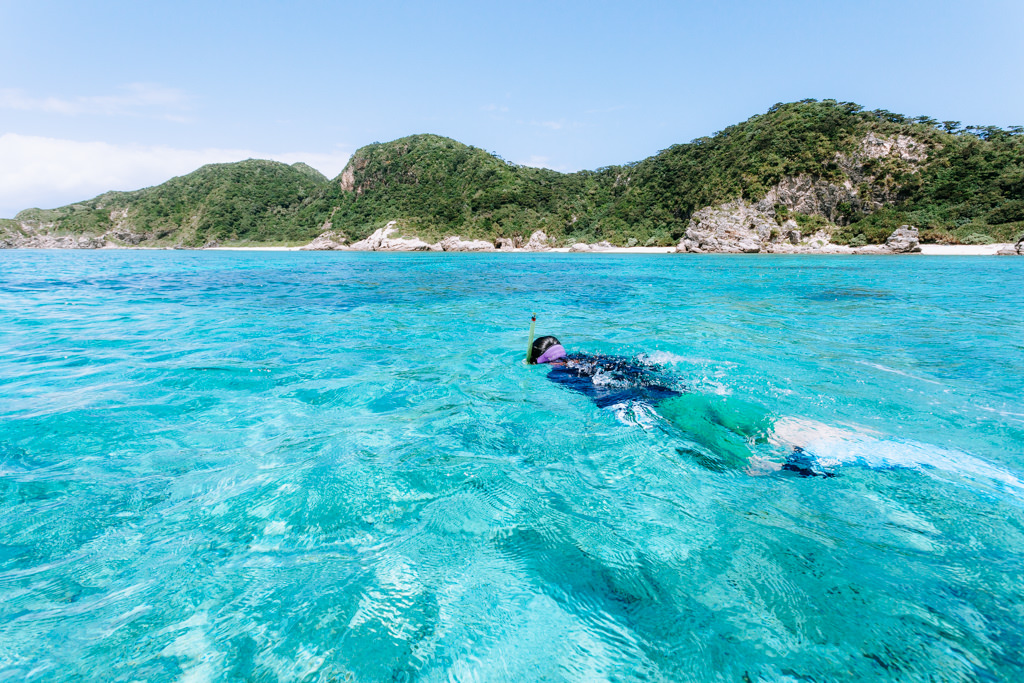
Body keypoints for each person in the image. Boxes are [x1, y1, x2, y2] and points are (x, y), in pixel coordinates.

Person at [529, 335, 832, 477]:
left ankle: (787, 471)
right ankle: (801, 445)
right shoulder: (592, 356)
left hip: (659, 406)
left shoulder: (560, 375)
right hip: (679, 391)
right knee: (757, 429)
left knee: (732, 457)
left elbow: (601, 399)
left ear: (544, 362)